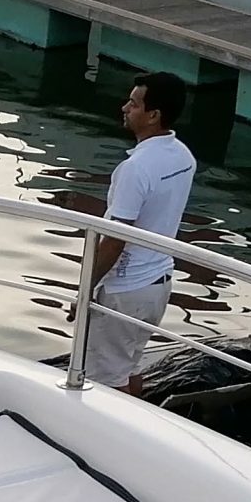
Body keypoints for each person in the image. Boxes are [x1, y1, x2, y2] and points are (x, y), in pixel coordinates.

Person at [77, 71, 196, 392]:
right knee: (130, 366)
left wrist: (85, 288)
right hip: (159, 282)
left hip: (126, 290)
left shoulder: (135, 169)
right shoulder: (183, 157)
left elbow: (115, 239)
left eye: (133, 103)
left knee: (105, 382)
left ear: (153, 115)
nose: (125, 108)